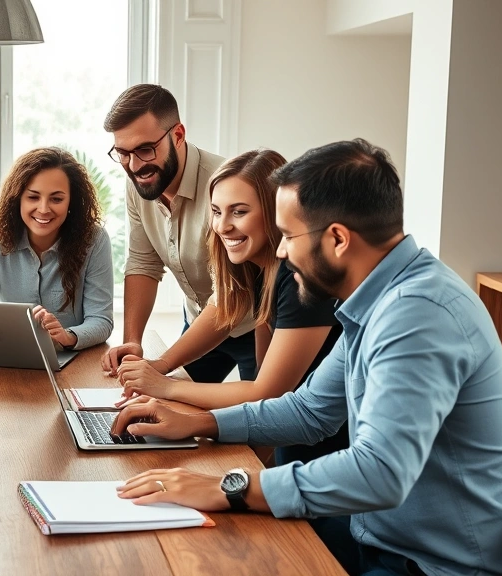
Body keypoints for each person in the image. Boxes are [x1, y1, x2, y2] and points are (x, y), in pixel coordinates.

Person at [111, 139, 502, 575]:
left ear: (338, 240)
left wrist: (230, 486)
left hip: (429, 563)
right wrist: (203, 423)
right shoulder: (380, 299)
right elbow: (311, 411)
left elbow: (380, 471)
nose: (281, 251)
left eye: (289, 236)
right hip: (377, 535)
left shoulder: (417, 314)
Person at [114, 149, 346, 466]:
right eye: (216, 211)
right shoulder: (264, 273)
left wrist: (166, 387)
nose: (222, 226)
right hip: (295, 442)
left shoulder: (298, 278)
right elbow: (265, 388)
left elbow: (266, 392)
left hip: (331, 456)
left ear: (273, 213)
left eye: (238, 212)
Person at [100, 84, 257, 382]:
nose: (134, 166)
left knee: (264, 422)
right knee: (166, 410)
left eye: (145, 150)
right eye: (122, 153)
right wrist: (133, 342)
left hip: (255, 327)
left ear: (178, 135)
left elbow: (229, 298)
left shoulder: (224, 186)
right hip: (200, 320)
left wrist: (161, 364)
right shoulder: (140, 183)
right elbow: (143, 264)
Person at [0, 147, 114, 349]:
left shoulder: (94, 240)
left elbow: (101, 320)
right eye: (33, 197)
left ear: (70, 202)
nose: (43, 209)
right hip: (13, 353)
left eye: (56, 199)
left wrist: (67, 337)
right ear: (18, 198)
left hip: (74, 360)